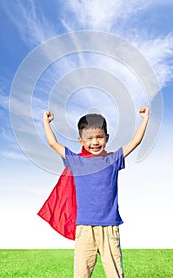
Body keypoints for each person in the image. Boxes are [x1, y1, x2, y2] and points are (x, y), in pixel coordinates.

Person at [43, 107, 149, 278]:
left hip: (109, 227)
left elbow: (134, 142)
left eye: (100, 137)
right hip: (84, 228)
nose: (95, 142)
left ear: (107, 138)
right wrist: (46, 123)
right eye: (89, 138)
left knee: (116, 274)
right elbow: (53, 144)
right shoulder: (76, 161)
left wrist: (145, 119)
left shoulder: (113, 159)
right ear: (81, 141)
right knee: (81, 274)